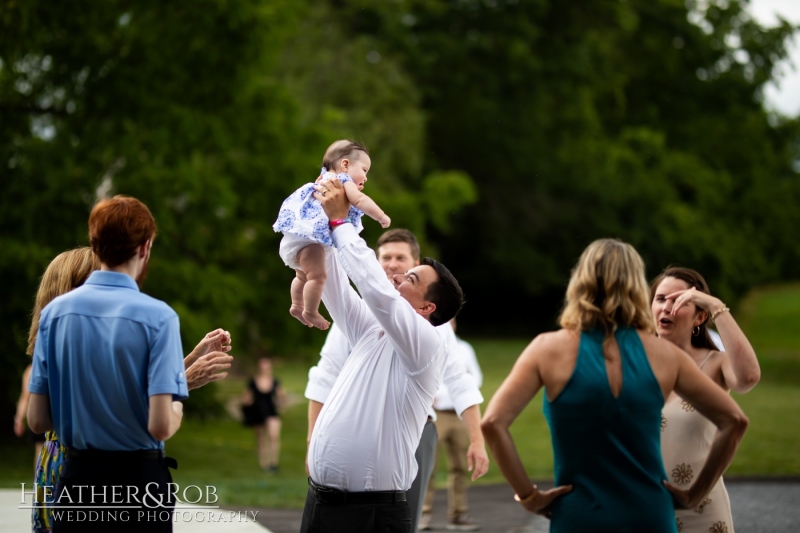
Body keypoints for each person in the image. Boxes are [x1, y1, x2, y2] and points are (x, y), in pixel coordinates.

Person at [481, 238, 749, 532]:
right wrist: (695, 494)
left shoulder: (546, 349)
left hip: (579, 516)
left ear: (579, 283)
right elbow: (734, 420)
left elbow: (492, 423)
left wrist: (529, 496)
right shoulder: (665, 356)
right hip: (650, 516)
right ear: (636, 288)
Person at [26, 196, 229, 533]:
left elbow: (37, 419)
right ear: (145, 247)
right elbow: (161, 426)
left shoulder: (54, 315)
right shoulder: (159, 317)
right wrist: (176, 400)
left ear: (95, 244)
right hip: (139, 485)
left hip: (77, 480)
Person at [300, 177, 465, 533]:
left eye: (410, 279)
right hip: (322, 504)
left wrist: (342, 223)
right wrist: (322, 214)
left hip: (372, 514)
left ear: (426, 308)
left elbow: (377, 290)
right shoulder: (374, 330)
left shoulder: (427, 343)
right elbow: (335, 288)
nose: (397, 277)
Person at [652, 266, 760, 532]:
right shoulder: (632, 361)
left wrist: (716, 306)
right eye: (660, 298)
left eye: (679, 301)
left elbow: (747, 377)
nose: (667, 307)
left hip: (701, 509)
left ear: (700, 317)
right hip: (643, 505)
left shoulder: (716, 365)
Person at [273, 139, 391, 330]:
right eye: (364, 170)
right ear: (345, 164)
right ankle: (310, 311)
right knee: (318, 277)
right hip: (310, 243)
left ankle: (296, 305)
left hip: (293, 239)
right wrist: (381, 215)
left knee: (302, 276)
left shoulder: (322, 178)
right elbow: (360, 200)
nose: (366, 178)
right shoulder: (342, 181)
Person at [421, 319, 484, 531]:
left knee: (460, 465)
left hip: (458, 414)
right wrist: (435, 395)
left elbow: (474, 377)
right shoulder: (428, 342)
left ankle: (459, 513)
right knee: (428, 465)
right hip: (437, 414)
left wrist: (452, 396)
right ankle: (424, 513)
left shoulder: (465, 348)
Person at [242, 356, 286, 472]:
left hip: (271, 411)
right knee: (261, 439)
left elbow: (281, 396)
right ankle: (264, 464)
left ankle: (274, 463)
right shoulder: (253, 381)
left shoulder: (275, 381)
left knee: (273, 436)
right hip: (258, 412)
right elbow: (246, 398)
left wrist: (281, 402)